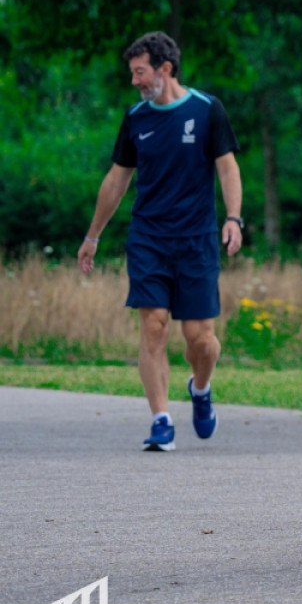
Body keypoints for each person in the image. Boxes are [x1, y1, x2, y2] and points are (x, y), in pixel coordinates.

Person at [77, 31, 243, 451]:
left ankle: (200, 390)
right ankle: (161, 420)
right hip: (149, 238)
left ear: (165, 69)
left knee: (200, 339)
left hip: (197, 240)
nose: (134, 81)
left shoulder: (208, 111)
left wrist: (234, 218)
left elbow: (228, 169)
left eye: (139, 72)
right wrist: (92, 236)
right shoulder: (136, 118)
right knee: (153, 327)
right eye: (132, 73)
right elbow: (116, 181)